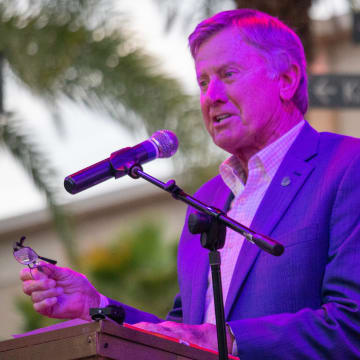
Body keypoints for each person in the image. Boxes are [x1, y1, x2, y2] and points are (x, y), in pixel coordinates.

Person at [20, 9, 360, 359]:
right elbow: (181, 335)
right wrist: (96, 305)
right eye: (202, 82)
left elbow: (352, 324)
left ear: (286, 80)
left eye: (229, 74)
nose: (211, 95)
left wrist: (227, 340)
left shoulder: (347, 167)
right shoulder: (209, 199)